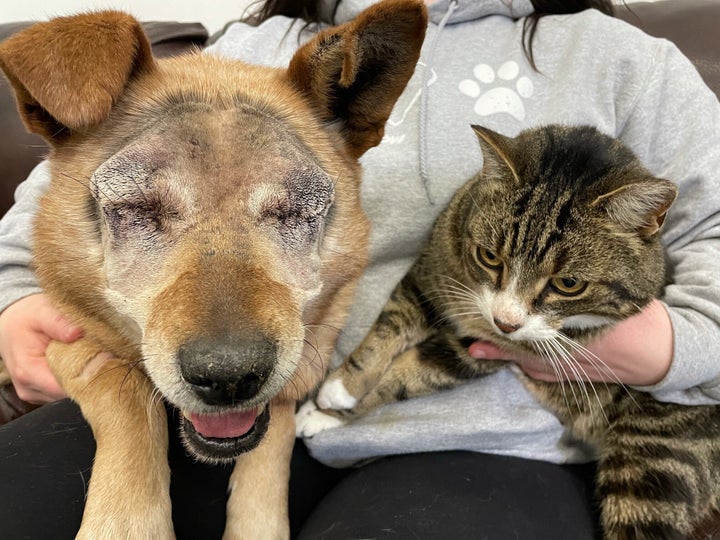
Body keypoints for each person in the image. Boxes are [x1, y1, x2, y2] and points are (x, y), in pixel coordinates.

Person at [0, 0, 719, 538]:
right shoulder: (248, 47)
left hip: (484, 442)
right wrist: (14, 303)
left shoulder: (623, 62)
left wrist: (666, 347)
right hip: (255, 412)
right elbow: (60, 195)